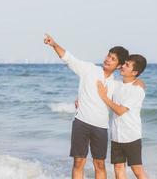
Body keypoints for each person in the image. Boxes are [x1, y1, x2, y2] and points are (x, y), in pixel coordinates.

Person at [44, 34, 129, 179]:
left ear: (119, 65)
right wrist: (54, 44)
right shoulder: (89, 69)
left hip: (101, 127)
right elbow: (69, 58)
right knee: (78, 162)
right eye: (108, 55)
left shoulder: (116, 84)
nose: (108, 59)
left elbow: (126, 97)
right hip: (81, 122)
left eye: (113, 59)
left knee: (100, 165)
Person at [97, 54, 148, 179]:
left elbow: (120, 110)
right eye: (124, 63)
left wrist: (103, 96)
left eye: (127, 65)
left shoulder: (137, 89)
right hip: (116, 136)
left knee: (137, 169)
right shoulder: (116, 83)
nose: (123, 66)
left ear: (135, 72)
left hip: (131, 136)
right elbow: (99, 87)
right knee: (118, 168)